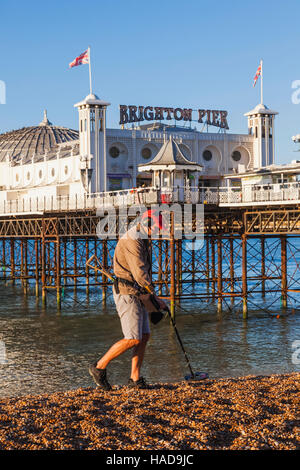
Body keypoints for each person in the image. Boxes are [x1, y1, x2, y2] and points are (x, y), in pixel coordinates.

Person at [89, 209, 167, 390]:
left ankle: (135, 378)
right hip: (127, 292)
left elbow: (143, 275)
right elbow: (140, 274)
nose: (158, 231)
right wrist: (156, 298)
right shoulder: (133, 239)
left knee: (144, 336)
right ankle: (99, 367)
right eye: (156, 227)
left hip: (138, 292)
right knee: (132, 338)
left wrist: (151, 298)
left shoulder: (142, 238)